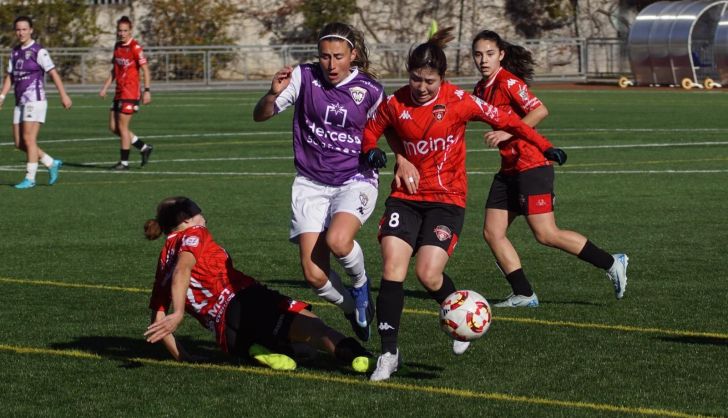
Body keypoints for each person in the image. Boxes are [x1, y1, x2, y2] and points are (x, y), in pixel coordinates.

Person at [361, 27, 557, 381]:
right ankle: (388, 353)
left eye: (429, 81)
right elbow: (371, 129)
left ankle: (461, 316)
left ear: (443, 78)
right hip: (405, 197)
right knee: (393, 266)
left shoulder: (460, 101)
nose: (421, 87)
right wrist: (380, 152)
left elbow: (508, 120)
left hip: (446, 200)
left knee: (427, 273)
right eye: (416, 79)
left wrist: (543, 146)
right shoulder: (396, 102)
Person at [471, 30, 628, 308]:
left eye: (490, 54)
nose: (483, 60)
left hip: (532, 166)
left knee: (546, 234)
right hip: (509, 170)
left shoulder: (509, 82)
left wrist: (509, 133)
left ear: (501, 55)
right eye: (478, 54)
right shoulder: (482, 88)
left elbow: (540, 110)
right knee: (492, 232)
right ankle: (523, 293)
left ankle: (611, 262)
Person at [252, 22, 384, 342]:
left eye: (338, 56)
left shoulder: (370, 90)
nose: (331, 64)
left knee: (339, 241)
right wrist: (272, 93)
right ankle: (353, 309)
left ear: (352, 55)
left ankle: (361, 283)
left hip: (354, 179)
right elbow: (261, 114)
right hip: (311, 184)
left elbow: (387, 129)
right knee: (313, 274)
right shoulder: (303, 77)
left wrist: (382, 153)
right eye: (324, 57)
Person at [143, 196, 374, 373]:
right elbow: (184, 268)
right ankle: (361, 357)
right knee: (316, 329)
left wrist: (182, 356)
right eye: (197, 212)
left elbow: (157, 321)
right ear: (185, 219)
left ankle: (257, 348)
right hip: (244, 302)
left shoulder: (162, 263)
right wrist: (180, 312)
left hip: (227, 336)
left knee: (307, 352)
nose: (202, 216)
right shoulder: (194, 233)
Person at [0, 16, 72, 189]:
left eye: (24, 29)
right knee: (19, 143)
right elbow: (10, 76)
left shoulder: (39, 51)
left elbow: (53, 73)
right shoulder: (15, 52)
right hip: (20, 102)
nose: (21, 32)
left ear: (31, 30)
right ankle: (50, 162)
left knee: (29, 138)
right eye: (18, 29)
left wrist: (64, 95)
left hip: (35, 100)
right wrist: (2, 96)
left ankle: (30, 178)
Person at [99, 15, 153, 170]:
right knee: (113, 127)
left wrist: (147, 90)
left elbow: (145, 69)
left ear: (130, 31)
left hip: (130, 92)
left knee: (122, 128)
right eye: (119, 31)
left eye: (125, 31)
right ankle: (143, 147)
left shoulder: (135, 48)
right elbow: (114, 70)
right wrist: (105, 88)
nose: (122, 33)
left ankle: (124, 163)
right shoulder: (117, 47)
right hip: (119, 91)